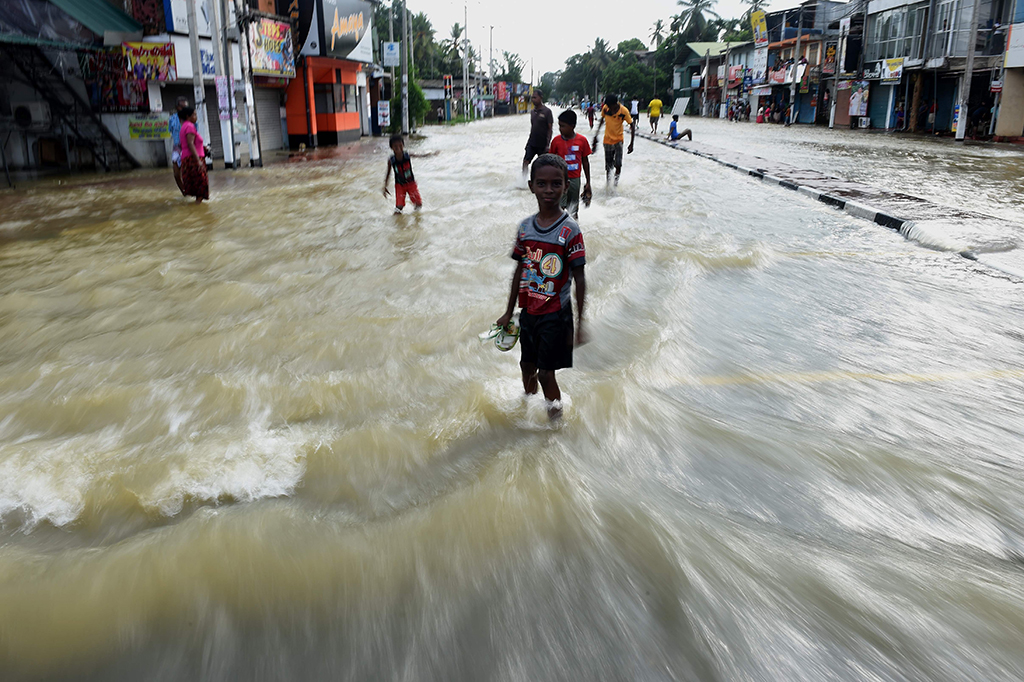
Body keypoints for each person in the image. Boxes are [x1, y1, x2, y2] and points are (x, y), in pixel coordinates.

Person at [496, 154, 586, 421]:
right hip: (529, 313)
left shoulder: (570, 231)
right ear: (531, 185)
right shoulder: (525, 228)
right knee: (527, 366)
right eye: (542, 184)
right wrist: (508, 311)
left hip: (557, 315)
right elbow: (519, 271)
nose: (549, 190)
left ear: (566, 185)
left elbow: (580, 278)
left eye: (556, 184)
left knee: (547, 373)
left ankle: (555, 426)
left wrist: (581, 323)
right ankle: (526, 412)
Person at [547, 110, 592, 219]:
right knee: (559, 209)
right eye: (559, 126)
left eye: (563, 126)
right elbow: (550, 161)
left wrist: (588, 182)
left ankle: (573, 231)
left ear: (572, 126)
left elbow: (585, 161)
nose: (560, 129)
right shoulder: (556, 141)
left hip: (575, 179)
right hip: (559, 180)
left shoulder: (582, 141)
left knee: (573, 209)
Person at [591, 94, 634, 186]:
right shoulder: (606, 109)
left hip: (619, 140)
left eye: (610, 106)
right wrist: (596, 135)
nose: (609, 108)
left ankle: (615, 184)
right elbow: (602, 121)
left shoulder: (624, 111)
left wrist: (631, 144)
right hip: (607, 141)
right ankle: (608, 185)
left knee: (618, 164)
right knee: (608, 167)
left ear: (615, 104)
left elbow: (632, 125)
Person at [382, 133, 422, 214]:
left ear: (403, 145)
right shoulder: (391, 161)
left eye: (400, 145)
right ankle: (396, 222)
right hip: (399, 185)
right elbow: (388, 173)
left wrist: (431, 154)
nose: (398, 148)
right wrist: (385, 186)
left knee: (418, 204)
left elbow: (419, 156)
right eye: (395, 146)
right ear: (391, 148)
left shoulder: (407, 155)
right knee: (399, 207)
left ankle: (416, 219)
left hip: (411, 183)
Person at [178, 106, 208, 203]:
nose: (196, 117)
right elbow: (190, 144)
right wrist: (198, 161)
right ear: (188, 116)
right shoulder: (190, 126)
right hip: (193, 159)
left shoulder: (184, 126)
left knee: (197, 185)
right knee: (202, 185)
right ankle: (196, 207)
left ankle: (195, 211)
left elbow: (187, 144)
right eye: (194, 115)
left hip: (188, 159)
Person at [522, 88, 553, 178]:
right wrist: (528, 143)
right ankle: (523, 181)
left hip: (542, 144)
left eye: (535, 97)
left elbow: (550, 129)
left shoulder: (547, 112)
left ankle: (542, 181)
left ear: (541, 98)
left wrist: (547, 144)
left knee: (543, 165)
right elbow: (533, 127)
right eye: (532, 98)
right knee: (525, 162)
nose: (533, 100)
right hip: (532, 142)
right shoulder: (532, 112)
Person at [168, 96, 188, 195]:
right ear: (177, 107)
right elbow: (171, 131)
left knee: (187, 172)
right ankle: (183, 192)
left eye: (186, 107)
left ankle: (190, 190)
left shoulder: (190, 118)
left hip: (188, 147)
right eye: (182, 107)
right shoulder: (172, 119)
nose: (184, 109)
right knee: (176, 174)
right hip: (177, 148)